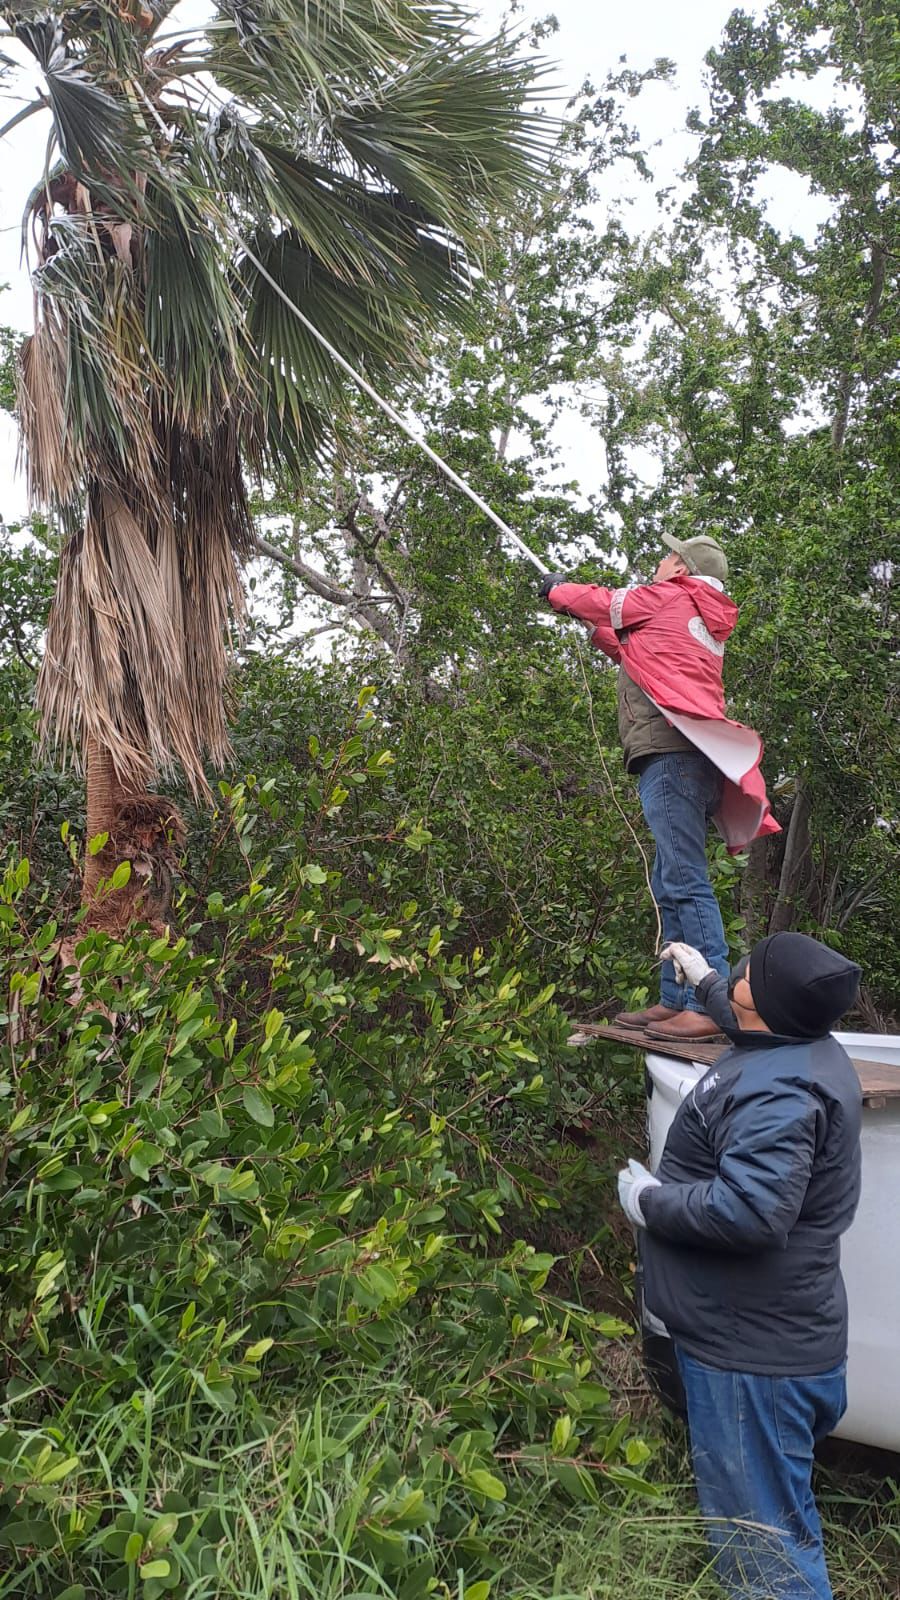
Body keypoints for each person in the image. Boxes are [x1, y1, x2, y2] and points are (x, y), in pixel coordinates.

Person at [618, 930, 863, 1600]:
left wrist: (649, 1201)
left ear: (771, 1003)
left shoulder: (782, 1092)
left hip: (751, 1361)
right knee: (773, 1524)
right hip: (769, 1337)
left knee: (763, 1556)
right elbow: (749, 1017)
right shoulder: (797, 1046)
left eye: (751, 970)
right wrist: (703, 982)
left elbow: (751, 1211)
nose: (741, 967)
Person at [539, 535, 780, 1041]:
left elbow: (606, 601)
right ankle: (677, 999)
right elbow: (629, 649)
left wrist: (559, 592)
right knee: (670, 880)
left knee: (685, 880)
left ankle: (710, 1003)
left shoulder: (669, 595)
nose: (660, 560)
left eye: (669, 555)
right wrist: (587, 621)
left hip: (670, 759)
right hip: (689, 760)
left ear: (682, 569)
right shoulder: (696, 614)